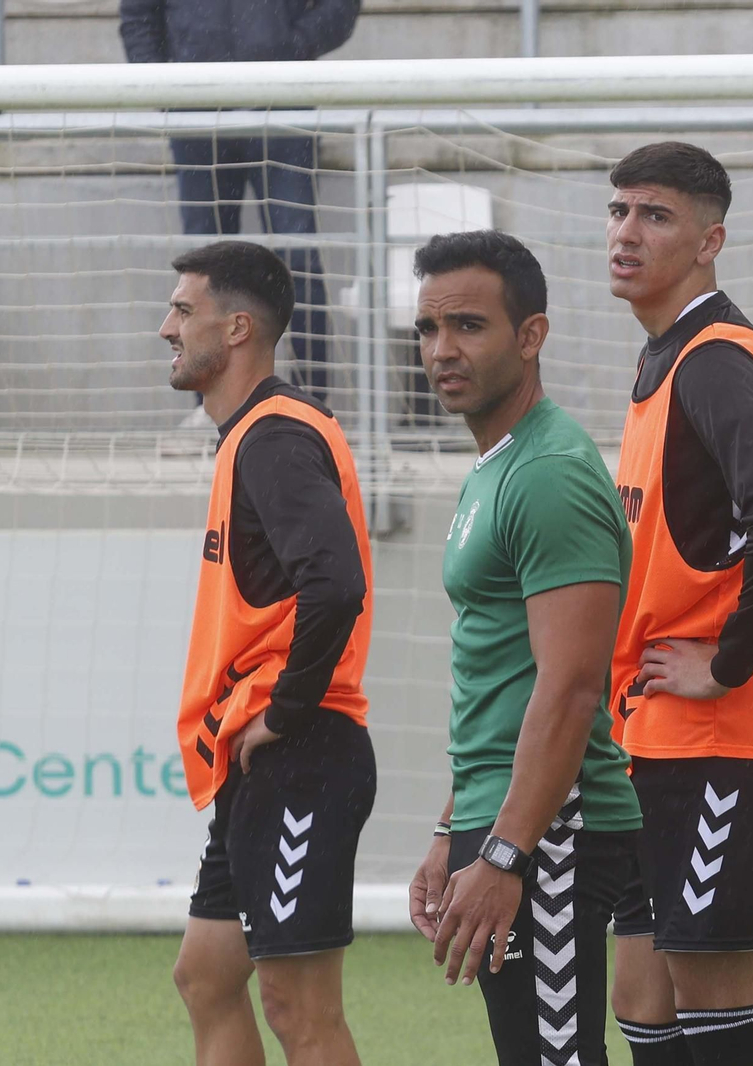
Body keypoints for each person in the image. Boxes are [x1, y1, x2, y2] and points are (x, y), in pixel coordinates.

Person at [603, 141, 753, 1066]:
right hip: (654, 728)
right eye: (619, 210)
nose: (626, 232)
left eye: (655, 215)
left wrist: (728, 661)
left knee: (710, 992)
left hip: (717, 733)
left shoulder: (716, 360)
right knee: (642, 992)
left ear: (710, 242)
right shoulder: (664, 358)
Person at [404, 230, 642, 1066]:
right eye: (428, 329)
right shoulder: (496, 467)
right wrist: (453, 827)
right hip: (506, 815)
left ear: (531, 335)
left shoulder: (548, 472)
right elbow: (500, 673)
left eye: (468, 325)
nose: (442, 350)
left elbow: (571, 687)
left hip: (554, 825)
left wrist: (506, 850)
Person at [164, 240, 376, 1066]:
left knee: (298, 1008)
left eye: (184, 310)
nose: (166, 328)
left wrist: (285, 711)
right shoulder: (252, 435)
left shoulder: (275, 437)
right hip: (265, 758)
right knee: (207, 977)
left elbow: (337, 585)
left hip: (302, 752)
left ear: (238, 329)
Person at [120, 0, 358, 423]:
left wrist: (291, 47)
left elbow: (339, 6)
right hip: (197, 114)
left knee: (298, 258)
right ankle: (209, 407)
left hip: (281, 107)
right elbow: (138, 15)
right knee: (203, 273)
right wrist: (167, 88)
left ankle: (311, 404)